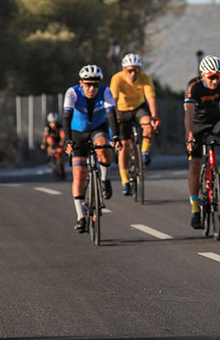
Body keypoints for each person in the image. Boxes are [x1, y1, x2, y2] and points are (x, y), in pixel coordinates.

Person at [184, 55, 220, 230]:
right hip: (196, 124)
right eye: (211, 77)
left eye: (218, 76)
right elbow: (188, 113)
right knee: (195, 165)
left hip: (216, 119)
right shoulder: (193, 87)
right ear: (203, 75)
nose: (215, 81)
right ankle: (195, 210)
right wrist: (189, 136)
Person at [63, 65, 121, 233]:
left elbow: (111, 115)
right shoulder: (72, 93)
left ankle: (104, 180)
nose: (91, 88)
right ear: (81, 83)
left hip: (97, 128)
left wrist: (116, 136)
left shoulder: (106, 92)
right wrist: (67, 141)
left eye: (95, 84)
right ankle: (81, 217)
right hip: (77, 132)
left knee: (103, 148)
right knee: (79, 175)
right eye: (88, 84)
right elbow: (66, 117)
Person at [109, 53, 161, 196]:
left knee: (148, 125)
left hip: (139, 108)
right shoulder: (117, 78)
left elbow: (150, 99)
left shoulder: (145, 78)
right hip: (122, 110)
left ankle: (144, 152)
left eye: (136, 70)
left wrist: (154, 116)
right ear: (124, 69)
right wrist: (116, 117)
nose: (133, 73)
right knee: (124, 147)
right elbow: (113, 100)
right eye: (130, 70)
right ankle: (125, 180)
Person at [40, 112, 66, 179]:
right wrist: (43, 144)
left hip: (59, 142)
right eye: (51, 122)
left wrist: (61, 143)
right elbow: (45, 136)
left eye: (54, 122)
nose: (52, 124)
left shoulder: (60, 127)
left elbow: (62, 136)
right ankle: (50, 159)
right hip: (52, 142)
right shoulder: (47, 128)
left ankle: (62, 169)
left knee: (60, 153)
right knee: (50, 141)